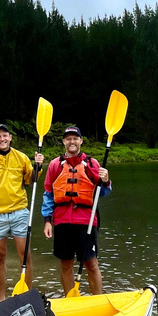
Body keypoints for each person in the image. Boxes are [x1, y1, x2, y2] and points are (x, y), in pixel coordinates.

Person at [0, 123, 44, 300]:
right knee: (0, 256)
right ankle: (1, 297)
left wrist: (38, 166)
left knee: (25, 256)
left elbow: (30, 180)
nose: (2, 139)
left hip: (19, 212)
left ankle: (28, 295)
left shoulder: (21, 158)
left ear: (10, 137)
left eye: (5, 135)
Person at [41, 126, 111, 295]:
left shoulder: (91, 163)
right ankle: (70, 300)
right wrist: (47, 221)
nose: (72, 141)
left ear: (80, 141)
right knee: (66, 263)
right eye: (68, 138)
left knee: (91, 263)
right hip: (62, 221)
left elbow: (103, 192)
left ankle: (98, 299)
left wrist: (106, 180)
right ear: (64, 141)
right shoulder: (55, 165)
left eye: (75, 138)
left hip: (86, 221)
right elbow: (48, 194)